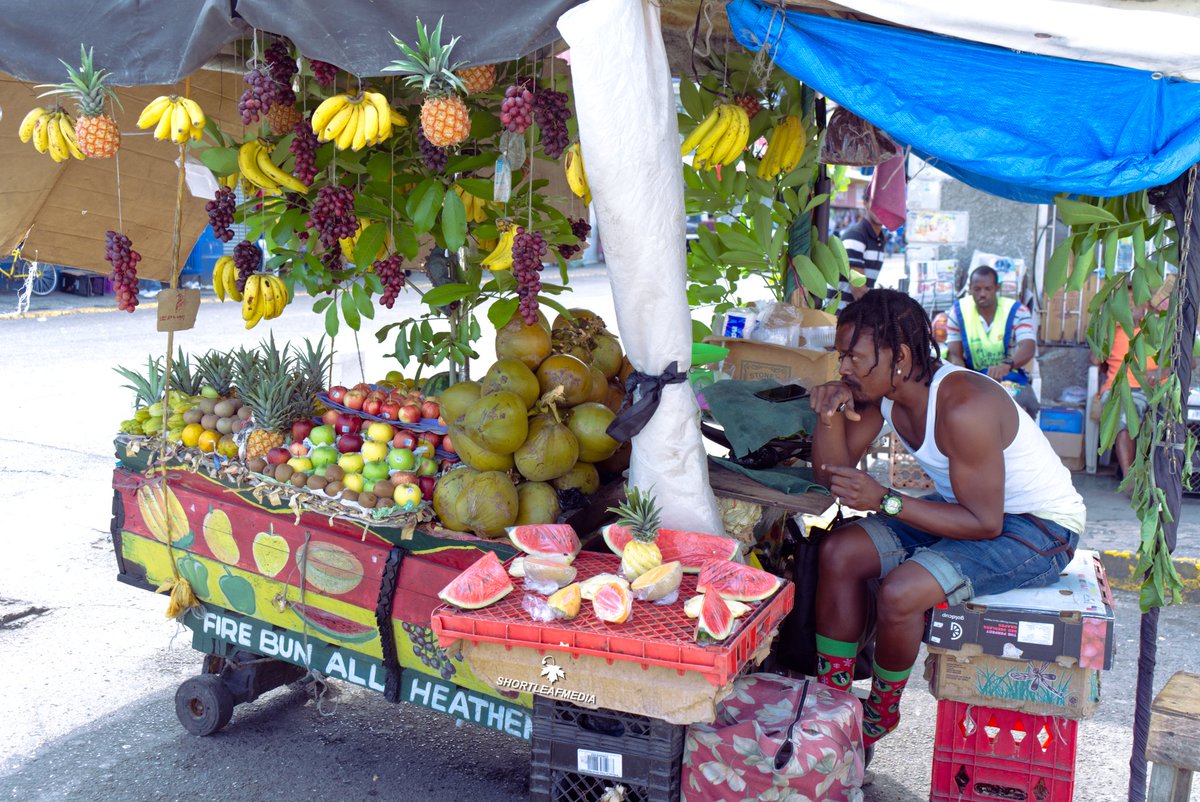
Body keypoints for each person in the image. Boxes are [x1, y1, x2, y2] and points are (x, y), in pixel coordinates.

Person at [808, 289, 1085, 747]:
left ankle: (880, 711)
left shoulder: (963, 405)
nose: (844, 369)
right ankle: (832, 698)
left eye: (854, 358)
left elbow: (985, 525)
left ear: (898, 355)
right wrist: (828, 414)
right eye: (841, 357)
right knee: (840, 551)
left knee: (901, 593)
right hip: (969, 506)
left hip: (1039, 528)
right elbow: (829, 477)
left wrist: (886, 500)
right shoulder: (884, 394)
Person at [946, 265, 1039, 417]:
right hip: (974, 377)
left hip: (1009, 376)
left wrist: (1007, 365)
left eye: (988, 289)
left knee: (1023, 407)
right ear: (970, 288)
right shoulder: (958, 312)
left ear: (997, 288)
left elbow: (1028, 347)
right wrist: (961, 374)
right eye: (977, 289)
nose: (982, 294)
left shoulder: (1017, 311)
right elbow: (954, 354)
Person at [827, 209, 886, 313]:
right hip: (839, 316)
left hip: (856, 314)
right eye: (875, 202)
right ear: (865, 203)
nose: (880, 208)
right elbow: (858, 288)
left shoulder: (880, 238)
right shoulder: (855, 235)